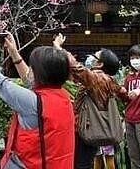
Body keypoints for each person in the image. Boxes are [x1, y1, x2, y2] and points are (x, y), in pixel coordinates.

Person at [0, 31, 75, 169]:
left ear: (40, 74)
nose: (29, 70)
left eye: (32, 68)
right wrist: (13, 52)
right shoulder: (63, 97)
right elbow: (30, 81)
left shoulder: (33, 102)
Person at [53, 35, 129, 169]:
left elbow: (76, 68)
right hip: (93, 128)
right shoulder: (110, 81)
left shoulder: (96, 78)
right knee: (86, 162)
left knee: (81, 164)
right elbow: (124, 95)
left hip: (86, 128)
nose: (90, 58)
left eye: (94, 56)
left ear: (100, 64)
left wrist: (59, 47)